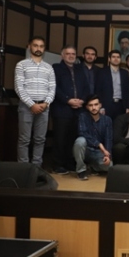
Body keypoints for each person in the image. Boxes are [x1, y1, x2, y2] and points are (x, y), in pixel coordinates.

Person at [15, 36, 56, 167]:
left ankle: (36, 169)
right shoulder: (21, 65)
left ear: (44, 49)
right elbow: (19, 88)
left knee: (40, 139)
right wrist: (32, 104)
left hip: (44, 107)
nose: (38, 48)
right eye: (35, 45)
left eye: (41, 46)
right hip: (26, 107)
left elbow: (52, 88)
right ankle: (23, 169)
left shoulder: (49, 68)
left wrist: (46, 103)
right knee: (24, 140)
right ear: (29, 46)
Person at [51, 45, 88, 174]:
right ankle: (58, 164)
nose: (71, 56)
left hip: (78, 109)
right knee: (60, 138)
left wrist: (82, 100)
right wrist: (68, 100)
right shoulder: (56, 68)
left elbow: (86, 87)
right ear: (62, 55)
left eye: (73, 54)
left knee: (73, 137)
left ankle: (69, 162)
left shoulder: (80, 69)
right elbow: (54, 88)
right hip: (62, 109)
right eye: (68, 54)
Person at [73, 94, 113, 180]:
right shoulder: (83, 117)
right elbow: (82, 133)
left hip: (98, 152)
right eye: (90, 105)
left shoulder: (107, 120)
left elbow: (108, 139)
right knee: (80, 141)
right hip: (86, 149)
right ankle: (81, 170)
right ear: (87, 107)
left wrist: (107, 155)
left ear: (100, 105)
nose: (93, 107)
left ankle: (92, 167)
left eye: (96, 104)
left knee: (109, 166)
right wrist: (99, 144)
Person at [95, 50, 129, 119]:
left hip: (121, 105)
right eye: (113, 57)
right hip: (107, 105)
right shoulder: (102, 72)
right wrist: (100, 106)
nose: (116, 59)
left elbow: (127, 91)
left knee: (119, 125)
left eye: (118, 57)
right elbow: (98, 90)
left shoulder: (125, 73)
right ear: (109, 59)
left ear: (120, 59)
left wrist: (127, 107)